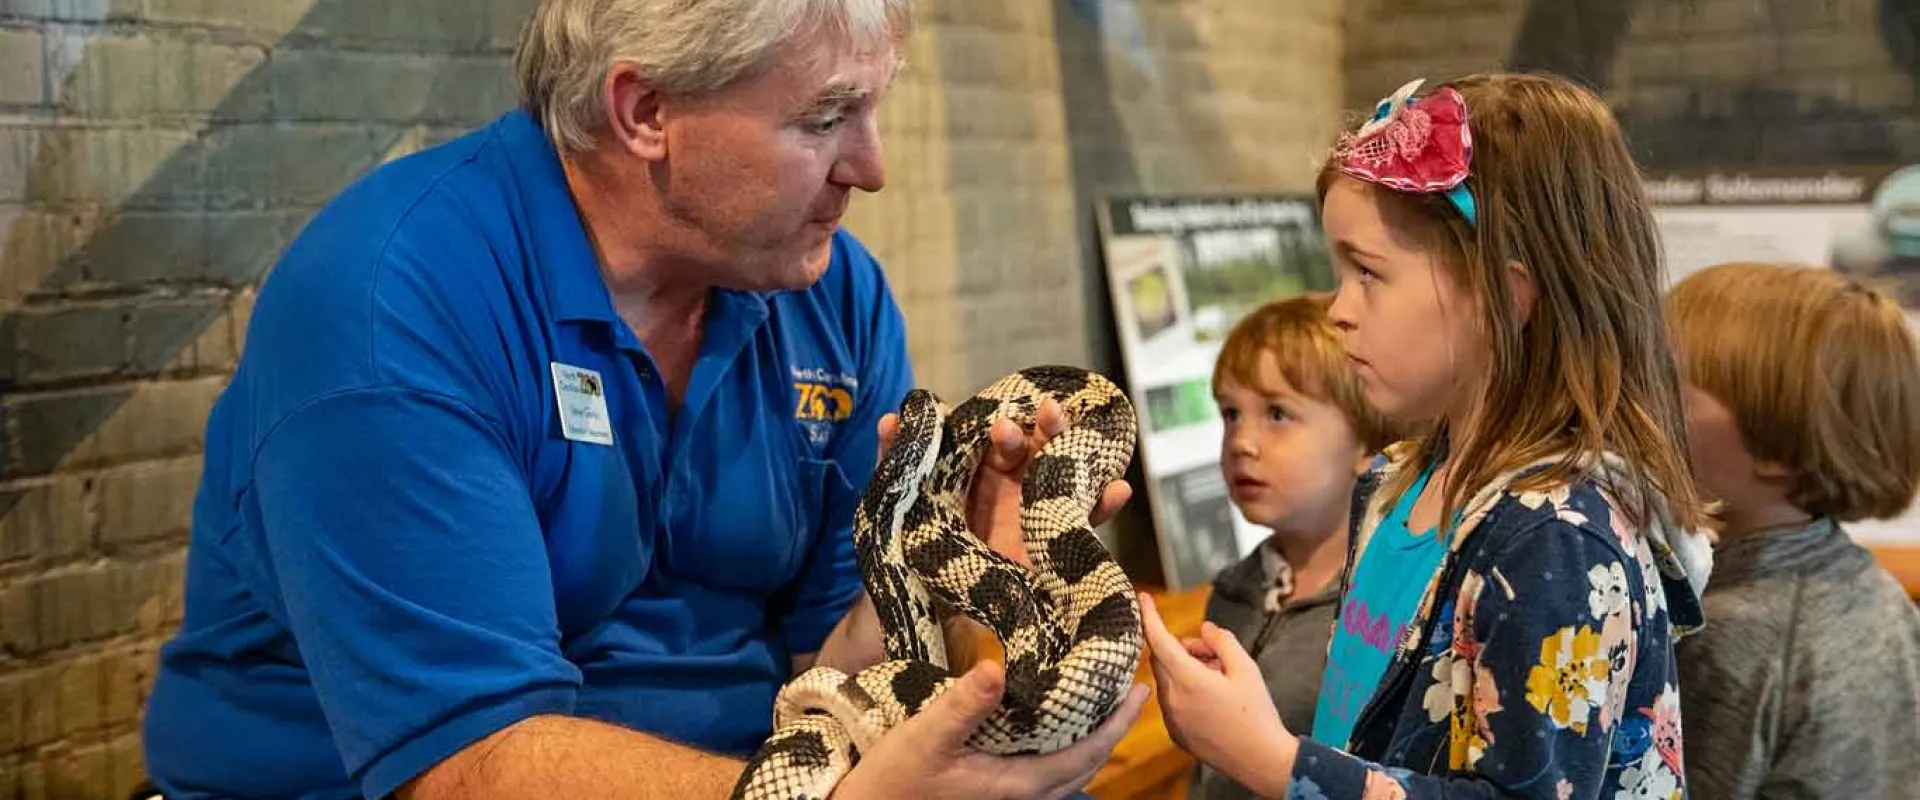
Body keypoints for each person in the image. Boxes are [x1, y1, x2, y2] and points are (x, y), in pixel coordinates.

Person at [137, 1, 1145, 798]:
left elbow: (826, 657)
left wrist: (950, 558)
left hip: (773, 760)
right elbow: (468, 767)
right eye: (825, 118)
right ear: (645, 112)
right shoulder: (391, 300)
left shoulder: (827, 290)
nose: (871, 169)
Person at [1137, 72, 1717, 799]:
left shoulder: (1557, 539)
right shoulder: (1392, 482)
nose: (1338, 311)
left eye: (1368, 274)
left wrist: (1270, 761)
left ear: (1503, 297)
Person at [1664, 262, 1920, 800]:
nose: (1642, 408)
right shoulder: (1868, 588)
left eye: (1672, 392)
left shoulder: (1731, 634)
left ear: (1775, 451)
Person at [1188, 293, 1401, 800]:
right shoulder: (1234, 590)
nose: (1242, 441)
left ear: (1366, 442)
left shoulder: (1379, 610)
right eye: (1231, 414)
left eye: (1278, 414)